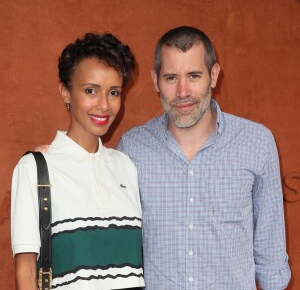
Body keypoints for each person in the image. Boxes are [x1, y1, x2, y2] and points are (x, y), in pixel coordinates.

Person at [117, 26, 291, 289]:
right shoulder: (132, 149)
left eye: (194, 75)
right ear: (155, 80)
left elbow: (271, 257)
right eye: (171, 78)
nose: (183, 91)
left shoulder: (257, 142)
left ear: (213, 75)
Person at [11, 33, 145, 290]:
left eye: (114, 92)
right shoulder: (35, 168)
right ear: (66, 92)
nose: (104, 105)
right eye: (90, 91)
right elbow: (26, 272)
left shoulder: (126, 167)